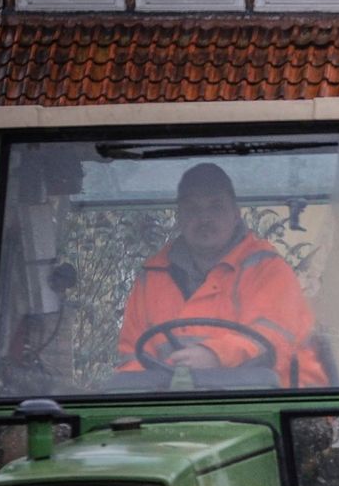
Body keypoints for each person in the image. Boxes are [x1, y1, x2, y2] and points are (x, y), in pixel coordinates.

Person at [117, 163, 326, 386]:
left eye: (215, 207)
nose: (204, 218)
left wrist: (215, 355)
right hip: (172, 407)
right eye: (193, 209)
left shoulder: (267, 269)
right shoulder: (152, 278)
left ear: (236, 214)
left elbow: (273, 339)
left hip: (275, 404)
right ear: (180, 217)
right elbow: (133, 356)